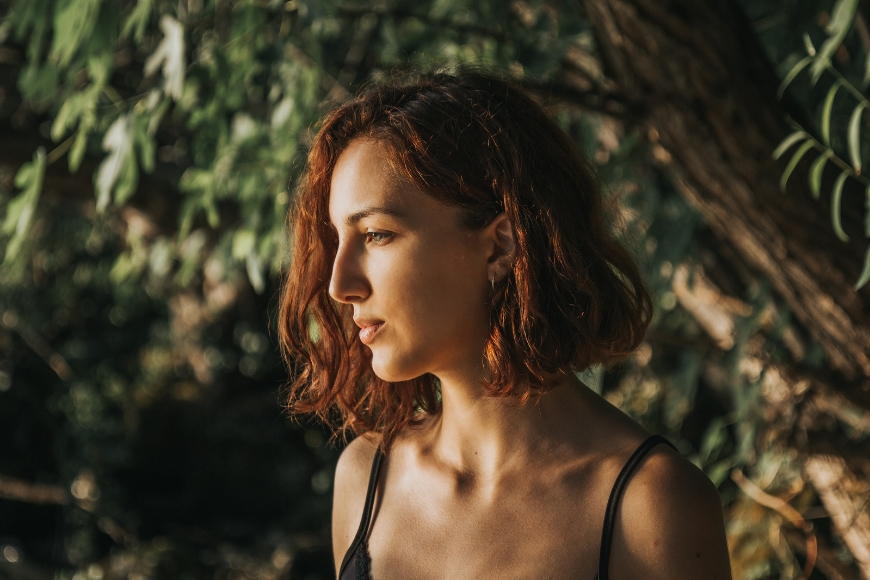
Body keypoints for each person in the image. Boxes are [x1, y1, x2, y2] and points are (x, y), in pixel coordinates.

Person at [279, 71, 732, 580]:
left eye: (377, 234)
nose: (340, 284)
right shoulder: (365, 480)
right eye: (338, 237)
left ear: (500, 245)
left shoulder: (649, 507)